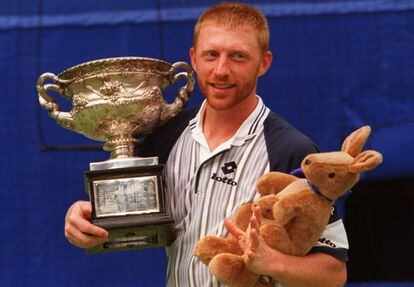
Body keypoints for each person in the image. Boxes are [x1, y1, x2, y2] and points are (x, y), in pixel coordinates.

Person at [64, 2, 348, 286]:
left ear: (263, 63)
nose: (221, 70)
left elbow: (334, 273)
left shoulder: (291, 150)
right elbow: (120, 212)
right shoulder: (167, 135)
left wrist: (271, 263)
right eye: (211, 55)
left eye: (238, 56)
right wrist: (83, 217)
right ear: (194, 59)